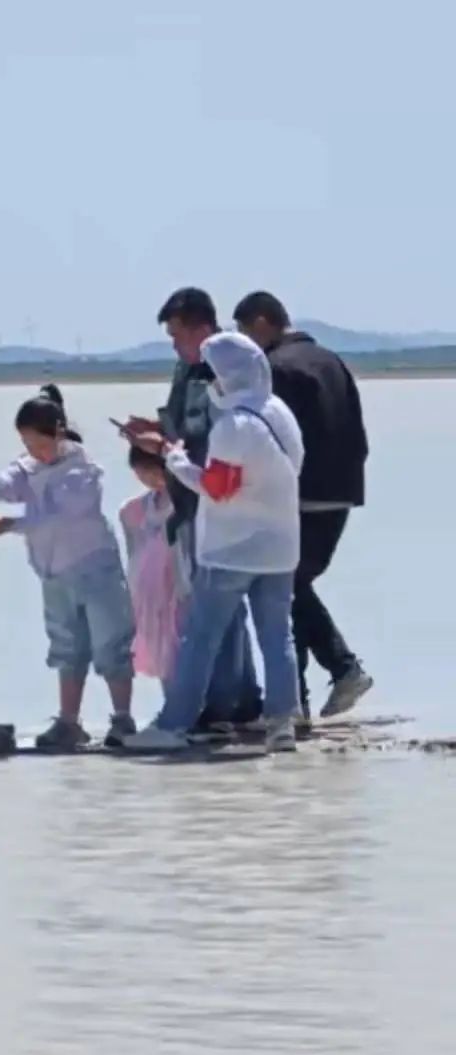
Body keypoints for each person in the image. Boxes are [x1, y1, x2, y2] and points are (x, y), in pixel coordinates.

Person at [124, 332, 304, 753]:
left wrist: (174, 460)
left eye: (212, 376)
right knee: (278, 637)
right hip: (280, 547)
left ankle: (174, 724)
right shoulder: (279, 412)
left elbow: (218, 488)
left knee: (200, 639)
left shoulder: (233, 426)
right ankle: (282, 725)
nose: (209, 384)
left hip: (232, 550)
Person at [0, 384, 135, 752]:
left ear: (57, 433)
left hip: (95, 569)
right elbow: (7, 484)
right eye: (27, 444)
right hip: (54, 574)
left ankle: (122, 719)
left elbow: (59, 516)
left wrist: (12, 524)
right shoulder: (28, 467)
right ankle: (69, 722)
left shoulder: (82, 470)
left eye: (39, 444)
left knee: (110, 644)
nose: (33, 452)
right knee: (66, 647)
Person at [124, 287, 263, 727]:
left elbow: (208, 437)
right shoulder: (186, 369)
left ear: (202, 329)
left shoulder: (224, 369)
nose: (174, 346)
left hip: (215, 499)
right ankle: (239, 699)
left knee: (216, 607)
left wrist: (165, 446)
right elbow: (183, 425)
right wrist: (156, 430)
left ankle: (223, 704)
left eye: (177, 335)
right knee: (217, 606)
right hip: (189, 498)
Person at [234, 291, 372, 720]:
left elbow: (273, 440)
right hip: (341, 490)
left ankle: (332, 676)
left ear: (261, 323)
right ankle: (299, 700)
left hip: (300, 493)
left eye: (244, 334)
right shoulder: (331, 360)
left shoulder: (276, 368)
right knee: (292, 587)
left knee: (279, 587)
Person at [119, 445, 186, 686]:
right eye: (141, 474)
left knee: (182, 644)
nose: (149, 479)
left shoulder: (185, 504)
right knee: (161, 649)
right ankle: (172, 701)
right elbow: (133, 553)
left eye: (153, 471)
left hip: (179, 588)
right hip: (150, 595)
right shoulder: (134, 509)